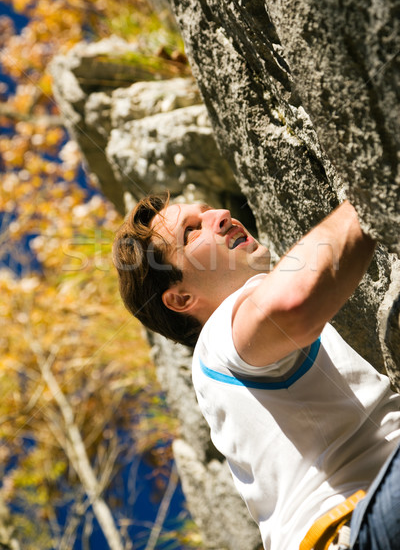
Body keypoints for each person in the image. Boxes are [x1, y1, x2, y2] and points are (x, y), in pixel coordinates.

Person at [113, 194, 400, 550]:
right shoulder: (217, 337)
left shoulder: (231, 367)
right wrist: (370, 192)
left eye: (206, 211)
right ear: (183, 299)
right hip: (351, 528)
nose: (220, 215)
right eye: (191, 231)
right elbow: (291, 304)